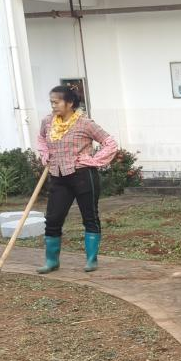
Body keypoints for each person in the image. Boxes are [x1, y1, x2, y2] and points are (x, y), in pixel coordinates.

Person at [35, 84, 119, 274]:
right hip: (58, 176)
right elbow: (41, 139)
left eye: (56, 102)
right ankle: (51, 261)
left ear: (70, 103)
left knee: (90, 217)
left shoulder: (85, 123)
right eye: (51, 102)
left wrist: (94, 160)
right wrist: (45, 153)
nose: (53, 106)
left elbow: (110, 143)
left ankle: (91, 260)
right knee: (53, 219)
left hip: (83, 176)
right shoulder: (48, 122)